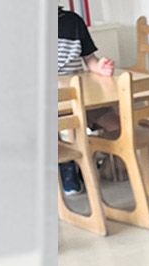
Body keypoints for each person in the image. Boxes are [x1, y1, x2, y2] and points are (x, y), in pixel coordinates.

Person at [57, 6, 117, 194]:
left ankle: (89, 158)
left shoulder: (73, 21)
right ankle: (66, 166)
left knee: (117, 126)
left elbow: (89, 58)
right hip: (52, 102)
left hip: (82, 96)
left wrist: (99, 67)